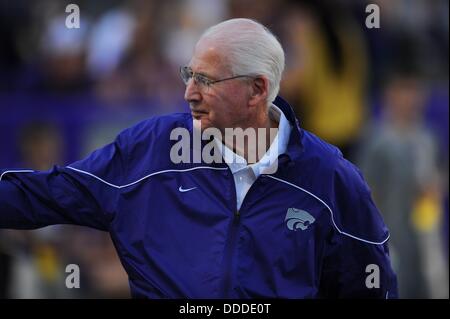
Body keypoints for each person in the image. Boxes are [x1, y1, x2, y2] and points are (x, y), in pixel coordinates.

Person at [0, 18, 397, 298]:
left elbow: (371, 286)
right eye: (189, 75)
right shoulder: (150, 149)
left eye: (206, 80)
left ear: (257, 90)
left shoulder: (330, 177)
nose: (189, 93)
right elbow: (43, 194)